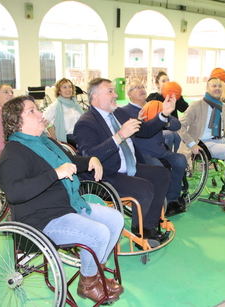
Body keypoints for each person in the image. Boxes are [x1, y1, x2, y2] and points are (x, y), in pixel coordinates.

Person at [0, 95, 124, 304]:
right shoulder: (13, 154)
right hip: (41, 220)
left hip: (67, 205)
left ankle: (94, 273)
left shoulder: (44, 141)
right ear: (16, 121)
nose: (40, 114)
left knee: (115, 219)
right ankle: (89, 283)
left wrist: (90, 160)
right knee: (98, 232)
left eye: (37, 109)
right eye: (32, 111)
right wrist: (55, 174)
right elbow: (15, 193)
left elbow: (70, 162)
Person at [73, 78, 172, 246]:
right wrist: (119, 136)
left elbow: (145, 130)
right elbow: (89, 156)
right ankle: (140, 232)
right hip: (108, 174)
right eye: (110, 91)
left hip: (129, 166)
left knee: (162, 174)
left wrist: (163, 114)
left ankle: (148, 227)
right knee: (145, 187)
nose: (116, 94)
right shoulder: (85, 123)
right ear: (95, 96)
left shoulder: (117, 113)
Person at [179, 77, 225, 203]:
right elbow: (180, 126)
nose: (217, 88)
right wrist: (191, 144)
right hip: (203, 142)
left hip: (220, 140)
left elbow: (224, 127)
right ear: (207, 88)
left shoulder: (223, 106)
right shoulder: (196, 105)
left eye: (219, 86)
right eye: (214, 86)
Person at [122, 80, 187, 217]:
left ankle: (172, 200)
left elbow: (176, 126)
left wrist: (165, 119)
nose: (141, 89)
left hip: (160, 150)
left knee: (180, 160)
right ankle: (157, 204)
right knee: (160, 169)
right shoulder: (124, 112)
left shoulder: (155, 105)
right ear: (129, 94)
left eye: (142, 86)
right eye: (136, 87)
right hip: (141, 154)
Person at [146, 71, 189, 152]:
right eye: (163, 81)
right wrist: (162, 94)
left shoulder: (174, 97)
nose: (166, 83)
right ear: (157, 84)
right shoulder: (153, 97)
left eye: (168, 80)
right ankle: (167, 157)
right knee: (169, 135)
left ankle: (176, 156)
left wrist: (178, 97)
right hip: (159, 129)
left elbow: (185, 109)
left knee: (178, 135)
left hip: (174, 127)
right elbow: (148, 112)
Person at [43, 78, 84, 145]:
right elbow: (43, 120)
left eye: (70, 87)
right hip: (67, 137)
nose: (68, 89)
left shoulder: (76, 105)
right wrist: (52, 135)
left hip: (80, 134)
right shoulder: (55, 106)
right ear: (59, 91)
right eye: (64, 87)